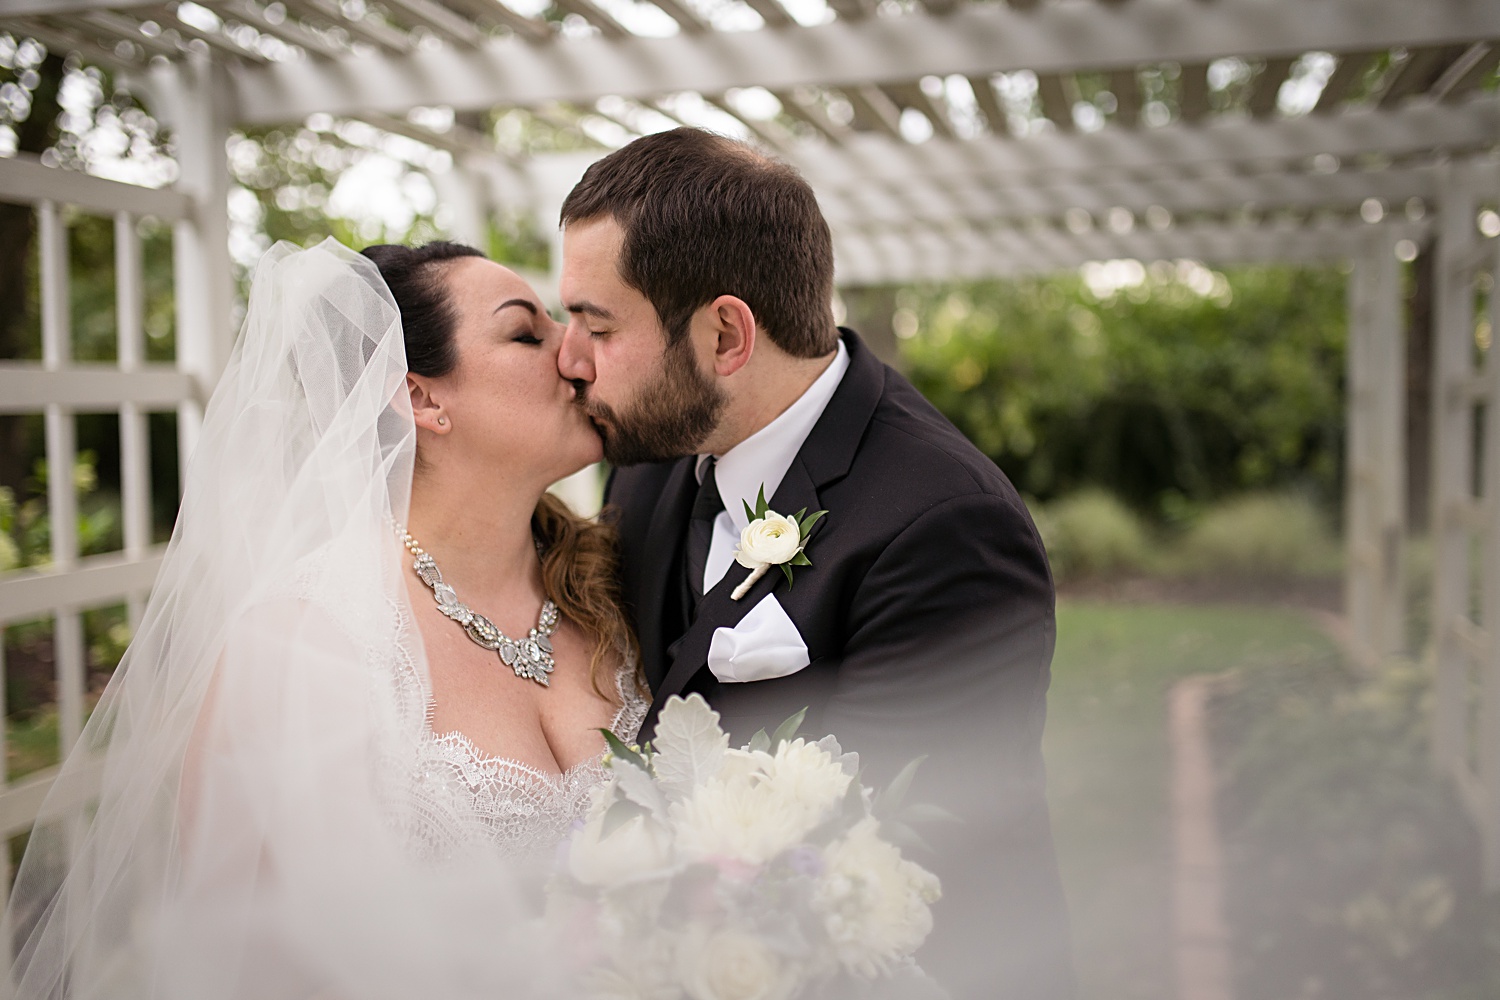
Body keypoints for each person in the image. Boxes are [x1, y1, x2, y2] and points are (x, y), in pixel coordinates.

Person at [5, 238, 639, 999]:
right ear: (422, 399)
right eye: (526, 334)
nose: (575, 355)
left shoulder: (616, 580)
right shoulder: (299, 640)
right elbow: (244, 952)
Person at [558, 127, 1076, 999]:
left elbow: (876, 862)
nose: (570, 360)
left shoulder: (946, 526)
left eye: (597, 325)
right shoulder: (644, 463)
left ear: (727, 335)